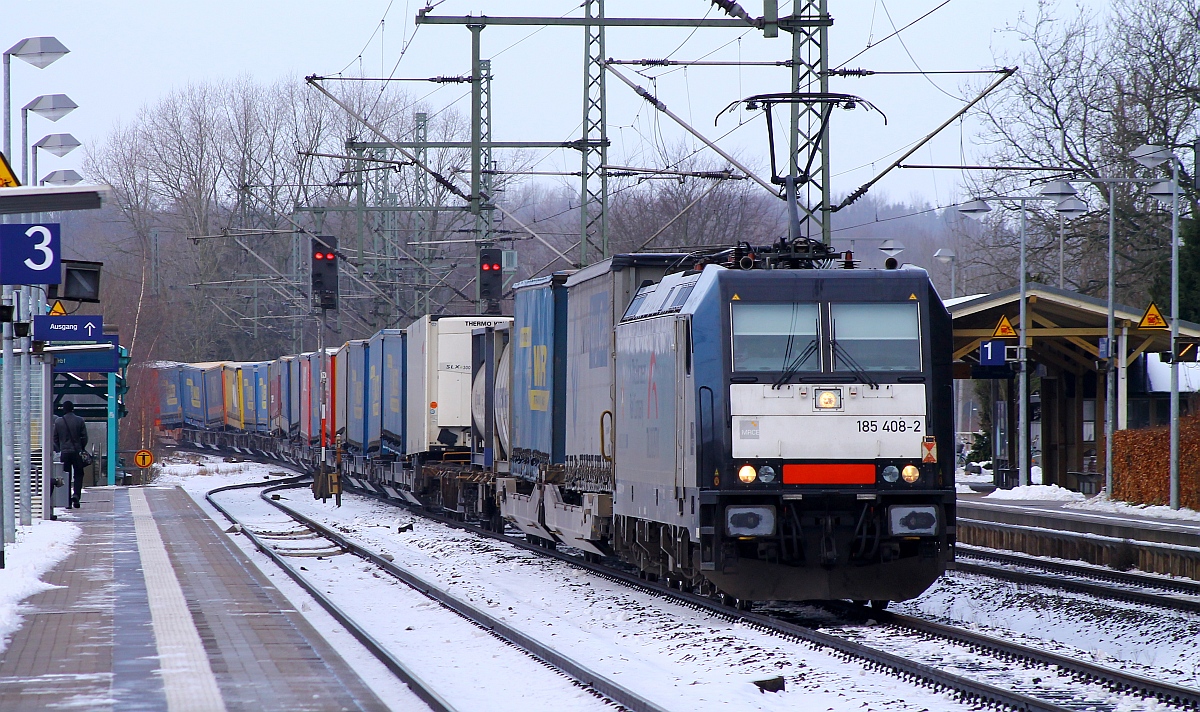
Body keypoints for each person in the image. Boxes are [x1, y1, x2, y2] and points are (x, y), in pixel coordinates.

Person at [53, 401, 89, 509]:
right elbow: (84, 437)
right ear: (73, 408)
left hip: (65, 453)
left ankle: (67, 501)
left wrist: (60, 448)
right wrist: (81, 448)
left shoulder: (58, 422)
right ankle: (76, 495)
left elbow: (55, 438)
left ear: (64, 409)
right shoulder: (80, 420)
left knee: (65, 475)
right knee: (78, 474)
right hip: (77, 452)